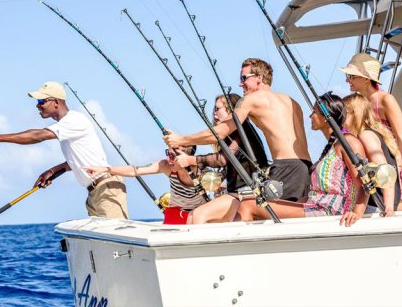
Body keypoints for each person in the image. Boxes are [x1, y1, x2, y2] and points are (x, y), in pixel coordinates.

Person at [164, 58, 312, 203]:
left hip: (286, 168)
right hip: (306, 167)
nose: (240, 84)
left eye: (244, 78)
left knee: (256, 214)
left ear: (259, 77)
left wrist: (181, 140)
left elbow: (220, 133)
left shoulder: (252, 99)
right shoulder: (291, 101)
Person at [0, 81, 128, 219]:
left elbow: (38, 135)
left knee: (118, 244)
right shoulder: (67, 126)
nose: (37, 105)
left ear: (56, 102)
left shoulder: (74, 120)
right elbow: (79, 161)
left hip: (106, 190)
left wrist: (0, 137)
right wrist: (52, 171)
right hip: (95, 193)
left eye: (41, 101)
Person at [237, 94, 368, 227]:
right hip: (316, 206)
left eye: (314, 112)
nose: (310, 116)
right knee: (252, 201)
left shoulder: (348, 142)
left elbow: (364, 183)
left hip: (330, 210)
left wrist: (356, 213)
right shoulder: (331, 147)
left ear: (326, 117)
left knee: (248, 205)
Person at [174, 93, 268, 224]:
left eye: (217, 109)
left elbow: (223, 159)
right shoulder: (235, 132)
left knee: (198, 215)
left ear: (230, 110)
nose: (214, 113)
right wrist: (218, 179)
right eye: (213, 109)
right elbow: (235, 164)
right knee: (191, 217)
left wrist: (191, 160)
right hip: (237, 192)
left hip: (247, 194)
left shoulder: (242, 130)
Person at [339, 53, 402, 210]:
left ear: (365, 78)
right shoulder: (356, 102)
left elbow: (400, 136)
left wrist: (396, 165)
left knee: (393, 212)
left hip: (390, 163)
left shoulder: (386, 99)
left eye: (351, 76)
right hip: (370, 169)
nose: (347, 80)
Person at [85, 146, 206, 225]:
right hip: (174, 214)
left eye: (172, 156)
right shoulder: (166, 166)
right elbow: (135, 170)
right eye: (167, 153)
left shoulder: (203, 173)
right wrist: (107, 169)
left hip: (197, 217)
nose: (168, 159)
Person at [343, 93, 400, 216]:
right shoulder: (374, 133)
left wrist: (388, 207)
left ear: (353, 113)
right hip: (381, 203)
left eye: (344, 113)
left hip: (377, 206)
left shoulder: (366, 135)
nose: (341, 118)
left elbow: (384, 170)